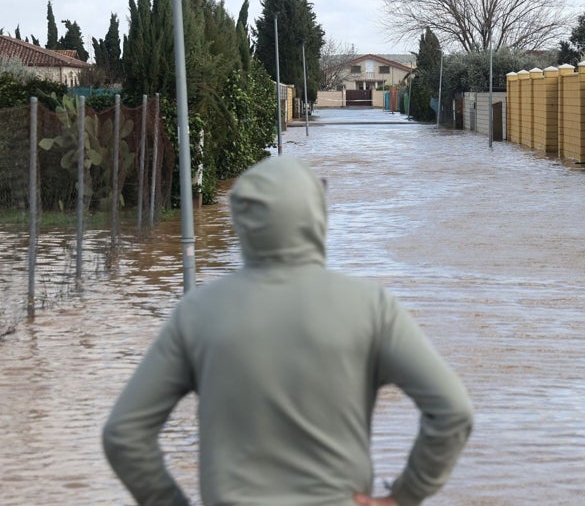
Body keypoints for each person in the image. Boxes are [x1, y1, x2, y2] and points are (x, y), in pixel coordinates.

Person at [102, 155, 474, 506]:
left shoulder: (197, 313)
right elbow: (453, 412)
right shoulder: (371, 307)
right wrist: (405, 496)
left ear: (242, 220)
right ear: (316, 216)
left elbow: (124, 434)